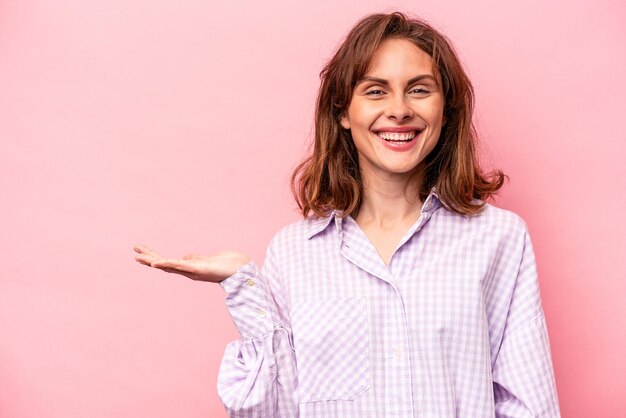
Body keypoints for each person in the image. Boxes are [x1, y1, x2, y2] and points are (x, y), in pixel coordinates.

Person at [133, 11, 561, 417]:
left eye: (419, 89)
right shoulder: (294, 253)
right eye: (375, 90)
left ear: (445, 111)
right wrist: (242, 284)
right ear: (343, 112)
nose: (399, 109)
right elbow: (273, 411)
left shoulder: (499, 239)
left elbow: (529, 404)